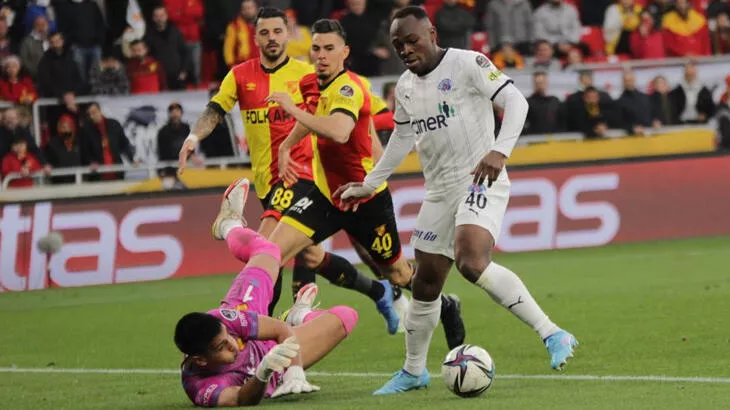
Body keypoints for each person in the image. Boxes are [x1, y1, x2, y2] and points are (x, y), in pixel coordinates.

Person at [335, 7, 578, 395]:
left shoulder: (468, 63)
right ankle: (414, 371)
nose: (405, 49)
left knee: (470, 261)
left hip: (480, 179)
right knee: (425, 283)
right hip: (439, 191)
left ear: (431, 33)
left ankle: (552, 333)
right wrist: (370, 183)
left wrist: (500, 151)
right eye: (398, 44)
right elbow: (401, 139)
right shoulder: (406, 86)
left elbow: (517, 102)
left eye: (412, 40)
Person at [175, 8, 445, 339]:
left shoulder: (324, 76)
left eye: (278, 31)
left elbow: (370, 117)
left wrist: (373, 138)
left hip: (304, 178)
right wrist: (193, 138)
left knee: (268, 252)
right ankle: (380, 293)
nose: (272, 38)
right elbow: (215, 110)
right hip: (282, 184)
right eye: (265, 32)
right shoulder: (244, 76)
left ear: (288, 35)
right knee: (313, 256)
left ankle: (259, 328)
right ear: (256, 37)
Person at [264, 17, 465, 347]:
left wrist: (291, 109)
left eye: (329, 48)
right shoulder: (310, 84)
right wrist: (287, 145)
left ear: (344, 52)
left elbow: (339, 131)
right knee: (271, 253)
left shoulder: (350, 87)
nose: (321, 55)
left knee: (398, 274)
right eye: (316, 48)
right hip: (326, 196)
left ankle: (445, 305)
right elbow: (313, 116)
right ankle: (260, 337)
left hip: (366, 198)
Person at [176, 178, 353, 407]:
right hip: (272, 359)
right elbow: (240, 398)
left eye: (227, 337)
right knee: (346, 316)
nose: (232, 344)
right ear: (200, 360)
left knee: (268, 250)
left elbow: (280, 331)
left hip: (248, 312)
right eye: (221, 346)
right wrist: (264, 371)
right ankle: (299, 316)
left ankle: (228, 225)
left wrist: (295, 373)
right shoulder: (200, 387)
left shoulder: (225, 320)